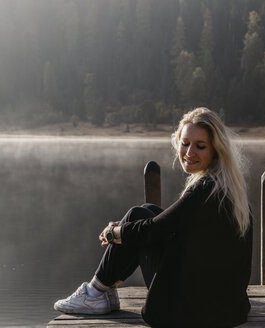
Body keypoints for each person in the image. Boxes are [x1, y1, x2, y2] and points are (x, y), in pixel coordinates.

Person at [54, 107, 253, 327]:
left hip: (192, 314)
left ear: (216, 150)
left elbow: (154, 230)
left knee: (138, 219)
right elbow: (171, 224)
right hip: (228, 308)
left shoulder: (205, 190)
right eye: (185, 143)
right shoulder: (230, 189)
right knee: (143, 212)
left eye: (200, 146)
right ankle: (102, 291)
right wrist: (124, 230)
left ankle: (96, 293)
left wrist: (113, 233)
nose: (189, 152)